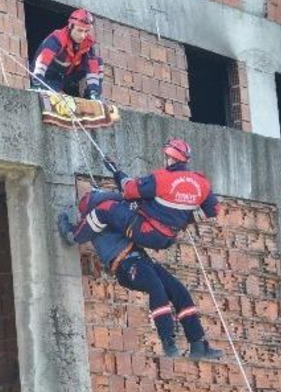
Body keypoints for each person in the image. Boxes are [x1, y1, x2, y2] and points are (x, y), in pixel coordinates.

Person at [57, 138, 222, 360]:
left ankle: (198, 345)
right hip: (130, 262)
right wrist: (185, 217)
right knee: (164, 287)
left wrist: (117, 172)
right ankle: (171, 341)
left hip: (143, 239)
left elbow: (127, 191)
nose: (93, 194)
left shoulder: (158, 181)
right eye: (91, 195)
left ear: (170, 157)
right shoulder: (200, 183)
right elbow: (213, 209)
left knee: (105, 209)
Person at [30, 8, 104, 100]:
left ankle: (92, 96)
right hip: (48, 76)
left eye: (86, 31)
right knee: (59, 97)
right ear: (70, 26)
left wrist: (94, 91)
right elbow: (43, 59)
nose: (83, 36)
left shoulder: (87, 43)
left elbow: (93, 68)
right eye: (79, 30)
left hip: (65, 77)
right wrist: (38, 80)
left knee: (98, 62)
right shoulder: (57, 38)